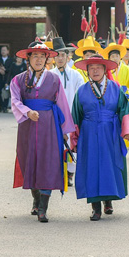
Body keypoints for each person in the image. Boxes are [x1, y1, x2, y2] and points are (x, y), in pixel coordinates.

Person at [9, 42, 75, 223]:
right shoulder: (18, 80)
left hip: (49, 125)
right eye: (35, 56)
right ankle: (36, 199)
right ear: (28, 58)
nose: (38, 59)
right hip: (27, 125)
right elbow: (15, 100)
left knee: (48, 162)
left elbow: (62, 104)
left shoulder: (54, 79)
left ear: (47, 59)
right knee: (29, 161)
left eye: (42, 56)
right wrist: (27, 112)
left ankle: (43, 209)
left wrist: (65, 130)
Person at [72, 54, 129, 220]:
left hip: (111, 133)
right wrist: (74, 139)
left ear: (104, 69)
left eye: (98, 67)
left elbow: (124, 110)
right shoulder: (81, 91)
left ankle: (108, 200)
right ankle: (95, 207)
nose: (95, 71)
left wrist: (128, 130)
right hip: (88, 134)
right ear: (87, 71)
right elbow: (76, 117)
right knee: (92, 167)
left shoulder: (116, 88)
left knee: (109, 165)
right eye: (91, 68)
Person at [49, 37, 85, 186]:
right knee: (55, 144)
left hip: (72, 116)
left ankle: (70, 173)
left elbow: (81, 95)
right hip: (54, 116)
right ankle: (57, 172)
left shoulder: (76, 75)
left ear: (68, 56)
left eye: (62, 55)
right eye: (57, 55)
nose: (60, 58)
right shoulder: (49, 75)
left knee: (71, 144)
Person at [103, 42, 129, 139]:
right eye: (112, 56)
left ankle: (127, 140)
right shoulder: (106, 70)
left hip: (125, 98)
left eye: (117, 56)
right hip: (110, 98)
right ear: (109, 58)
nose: (115, 58)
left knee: (125, 119)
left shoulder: (128, 69)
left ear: (120, 57)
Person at [0, 45, 14, 113]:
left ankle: (5, 107)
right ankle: (1, 105)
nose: (3, 51)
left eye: (4, 50)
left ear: (8, 51)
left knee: (6, 93)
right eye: (2, 50)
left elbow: (11, 69)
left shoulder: (11, 60)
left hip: (7, 79)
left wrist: (5, 70)